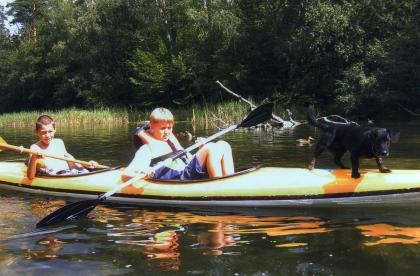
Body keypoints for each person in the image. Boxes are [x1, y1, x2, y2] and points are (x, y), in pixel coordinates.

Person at [121, 107, 234, 181]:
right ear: (151, 126)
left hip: (186, 170)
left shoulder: (170, 141)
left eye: (169, 128)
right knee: (210, 148)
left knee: (223, 144)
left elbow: (187, 158)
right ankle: (218, 184)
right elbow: (126, 174)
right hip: (179, 177)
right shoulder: (146, 149)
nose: (167, 132)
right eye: (163, 128)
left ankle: (230, 180)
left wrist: (201, 148)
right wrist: (143, 173)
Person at [27, 115, 98, 179]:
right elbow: (30, 176)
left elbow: (69, 159)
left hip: (71, 173)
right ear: (36, 132)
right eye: (44, 132)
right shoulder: (34, 148)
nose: (48, 135)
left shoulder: (59, 142)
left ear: (55, 130)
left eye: (50, 131)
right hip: (56, 176)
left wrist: (85, 164)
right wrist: (34, 157)